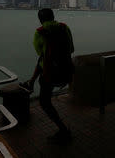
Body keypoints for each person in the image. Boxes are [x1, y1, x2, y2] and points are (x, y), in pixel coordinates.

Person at [20, 8, 74, 142]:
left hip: (50, 75)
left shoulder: (39, 32)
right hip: (67, 71)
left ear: (40, 20)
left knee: (44, 102)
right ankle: (31, 82)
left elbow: (40, 53)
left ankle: (63, 130)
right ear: (53, 16)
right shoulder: (64, 27)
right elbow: (71, 49)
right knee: (42, 60)